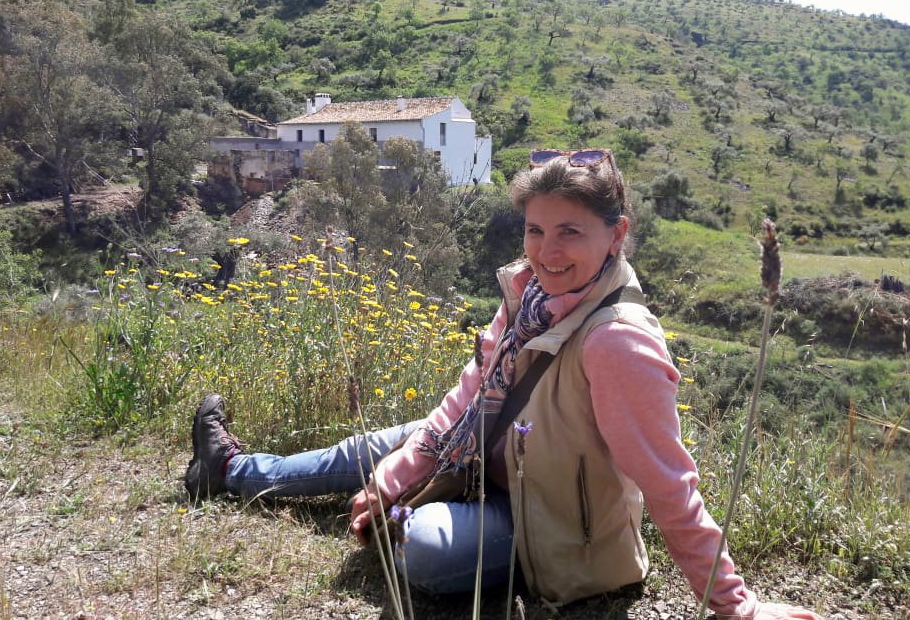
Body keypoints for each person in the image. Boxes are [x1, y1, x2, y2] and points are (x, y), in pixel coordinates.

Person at [185, 149, 824, 620]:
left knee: (426, 550)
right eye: (535, 229)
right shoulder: (531, 293)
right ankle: (233, 471)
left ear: (617, 233)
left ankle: (407, 517)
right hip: (491, 452)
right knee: (377, 450)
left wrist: (733, 604)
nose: (547, 251)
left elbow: (667, 481)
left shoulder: (617, 340)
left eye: (570, 230)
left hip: (550, 523)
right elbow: (472, 388)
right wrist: (396, 472)